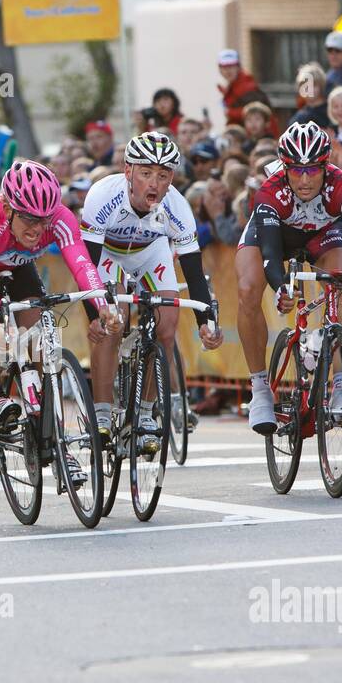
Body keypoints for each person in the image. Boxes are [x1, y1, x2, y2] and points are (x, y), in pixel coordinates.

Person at [235, 123, 342, 433]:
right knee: (248, 287)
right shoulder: (270, 192)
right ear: (284, 167)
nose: (304, 179)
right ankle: (260, 388)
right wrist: (281, 288)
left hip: (323, 234)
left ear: (326, 166)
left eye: (313, 169)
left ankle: (341, 385)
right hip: (278, 235)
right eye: (296, 170)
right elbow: (272, 255)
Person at [0, 160, 119, 442]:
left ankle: (45, 424)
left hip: (14, 257)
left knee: (36, 325)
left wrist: (102, 306)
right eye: (30, 219)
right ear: (8, 208)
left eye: (44, 220)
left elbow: (82, 264)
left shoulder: (59, 217)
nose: (38, 228)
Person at [80, 132, 222, 450]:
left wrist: (205, 321)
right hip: (108, 254)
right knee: (112, 324)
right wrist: (95, 315)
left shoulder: (177, 207)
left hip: (150, 252)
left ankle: (145, 414)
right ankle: (101, 416)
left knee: (167, 327)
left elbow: (194, 271)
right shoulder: (103, 195)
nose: (154, 184)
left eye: (163, 175)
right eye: (146, 173)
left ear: (172, 176)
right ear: (128, 171)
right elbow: (85, 264)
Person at [217, 49, 276, 132]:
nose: (228, 71)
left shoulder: (247, 87)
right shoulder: (233, 86)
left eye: (231, 66)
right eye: (224, 67)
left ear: (238, 67)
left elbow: (256, 113)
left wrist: (230, 112)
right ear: (220, 69)